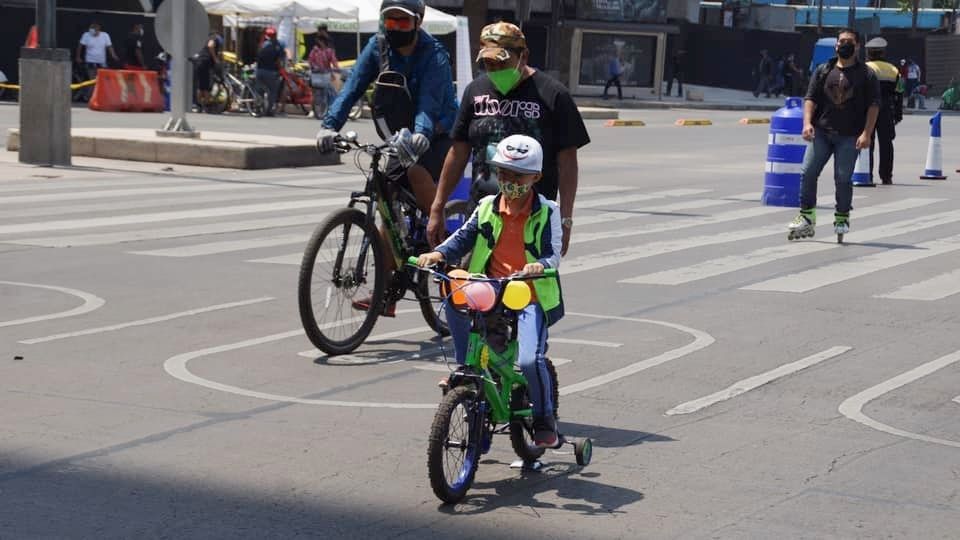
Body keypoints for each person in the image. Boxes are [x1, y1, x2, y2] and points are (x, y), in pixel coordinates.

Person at [417, 134, 564, 448]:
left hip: (528, 293)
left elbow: (553, 253)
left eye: (518, 176)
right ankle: (468, 379)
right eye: (504, 174)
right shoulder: (485, 206)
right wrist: (438, 253)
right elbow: (463, 238)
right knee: (454, 298)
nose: (509, 182)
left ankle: (543, 418)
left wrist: (540, 265)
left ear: (536, 177)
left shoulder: (548, 211)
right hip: (491, 287)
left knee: (528, 361)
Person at [316, 0, 458, 317]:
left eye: (402, 23)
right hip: (398, 133)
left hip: (437, 130)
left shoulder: (433, 54)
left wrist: (421, 133)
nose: (394, 28)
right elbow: (352, 87)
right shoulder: (377, 47)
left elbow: (429, 102)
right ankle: (387, 291)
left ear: (418, 22)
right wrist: (329, 126)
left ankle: (446, 240)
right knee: (387, 206)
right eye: (389, 22)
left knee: (416, 170)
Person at [426, 21, 590, 259]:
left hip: (532, 220)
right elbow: (458, 153)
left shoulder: (553, 95)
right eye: (488, 64)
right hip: (484, 214)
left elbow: (567, 164)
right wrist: (438, 205)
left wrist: (565, 219)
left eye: (501, 62)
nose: (494, 69)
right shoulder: (475, 91)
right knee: (474, 288)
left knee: (522, 290)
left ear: (523, 56)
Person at [788, 28, 880, 238]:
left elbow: (874, 105)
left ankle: (842, 216)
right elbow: (810, 98)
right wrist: (807, 123)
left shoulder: (866, 74)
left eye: (849, 41)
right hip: (821, 132)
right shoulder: (823, 69)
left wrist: (866, 133)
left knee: (843, 178)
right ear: (836, 45)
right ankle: (807, 217)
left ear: (857, 46)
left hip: (849, 136)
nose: (844, 45)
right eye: (841, 41)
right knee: (808, 172)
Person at [864, 37, 903, 185]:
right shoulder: (893, 70)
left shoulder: (864, 68)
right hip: (886, 110)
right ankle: (886, 175)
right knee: (886, 143)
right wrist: (898, 114)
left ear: (869, 52)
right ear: (883, 52)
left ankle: (866, 173)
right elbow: (899, 93)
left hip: (867, 111)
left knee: (867, 141)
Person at [76, 22, 119, 101]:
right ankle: (89, 97)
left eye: (94, 28)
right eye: (91, 28)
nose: (92, 30)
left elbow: (109, 46)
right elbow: (80, 46)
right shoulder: (86, 35)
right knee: (93, 80)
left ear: (98, 29)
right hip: (90, 61)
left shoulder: (105, 35)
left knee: (102, 80)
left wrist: (113, 55)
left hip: (101, 62)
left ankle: (100, 97)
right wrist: (78, 57)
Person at [256, 27, 286, 116]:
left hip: (260, 71)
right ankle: (269, 110)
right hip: (271, 72)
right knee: (272, 92)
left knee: (260, 90)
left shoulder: (263, 45)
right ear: (275, 35)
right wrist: (281, 70)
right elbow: (279, 61)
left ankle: (259, 108)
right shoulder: (278, 46)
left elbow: (257, 55)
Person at [308, 33, 339, 117]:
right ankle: (313, 110)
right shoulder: (315, 50)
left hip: (325, 74)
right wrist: (314, 67)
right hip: (316, 74)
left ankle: (324, 110)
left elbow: (333, 61)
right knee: (315, 93)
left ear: (323, 41)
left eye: (319, 41)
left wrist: (337, 68)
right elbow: (311, 60)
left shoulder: (329, 51)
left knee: (326, 92)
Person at [193, 31, 223, 111]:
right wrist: (215, 59)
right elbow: (211, 46)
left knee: (201, 86)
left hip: (200, 62)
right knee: (206, 87)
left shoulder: (205, 39)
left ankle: (199, 106)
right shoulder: (214, 38)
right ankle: (206, 106)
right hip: (205, 63)